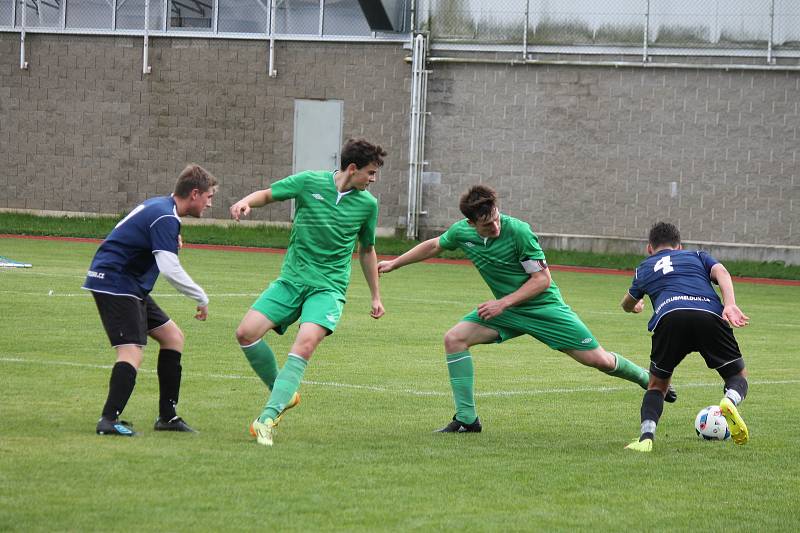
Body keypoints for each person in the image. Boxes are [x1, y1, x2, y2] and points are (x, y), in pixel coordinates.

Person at [377, 184, 674, 433]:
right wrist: (395, 262)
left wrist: (502, 302)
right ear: (471, 224)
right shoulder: (462, 233)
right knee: (454, 339)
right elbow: (434, 245)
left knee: (599, 361)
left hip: (543, 309)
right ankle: (467, 420)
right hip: (506, 312)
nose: (494, 226)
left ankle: (646, 379)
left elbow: (542, 280)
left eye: (495, 217)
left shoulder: (518, 232)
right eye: (486, 224)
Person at [230, 138, 386, 447]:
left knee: (305, 343)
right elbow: (267, 194)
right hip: (291, 280)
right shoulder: (308, 182)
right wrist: (246, 201)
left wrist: (375, 296)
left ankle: (266, 419)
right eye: (370, 172)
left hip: (328, 288)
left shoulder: (368, 204)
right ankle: (284, 392)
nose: (373, 179)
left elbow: (367, 250)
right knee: (246, 333)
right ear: (352, 169)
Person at [83, 164, 218, 436]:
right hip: (115, 281)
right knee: (131, 351)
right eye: (209, 196)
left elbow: (136, 235)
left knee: (173, 338)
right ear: (195, 193)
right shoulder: (165, 216)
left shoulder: (162, 209)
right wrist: (200, 296)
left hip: (129, 283)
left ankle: (167, 417)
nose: (210, 203)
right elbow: (169, 268)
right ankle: (108, 420)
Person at [621, 222, 750, 452]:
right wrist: (729, 304)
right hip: (707, 314)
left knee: (657, 386)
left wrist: (635, 306)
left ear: (649, 248)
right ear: (679, 246)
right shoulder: (698, 255)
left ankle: (646, 438)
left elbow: (626, 303)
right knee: (736, 374)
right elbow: (721, 271)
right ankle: (729, 401)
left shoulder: (644, 267)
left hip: (670, 318)